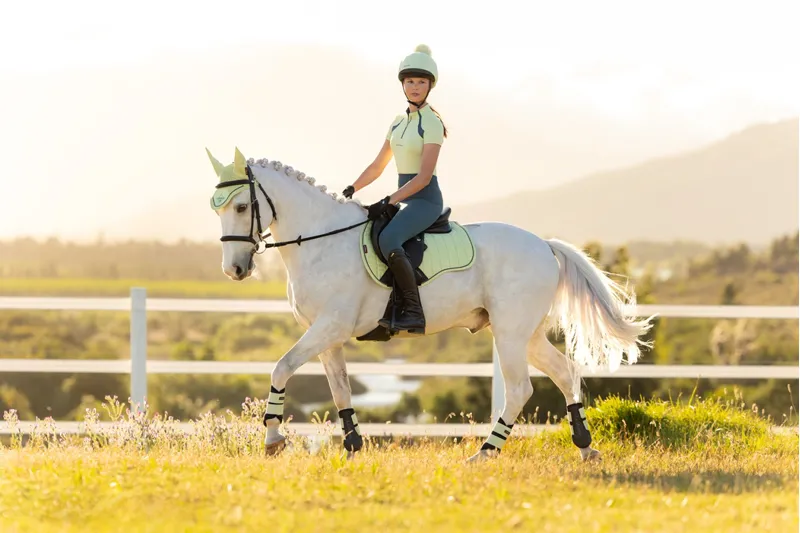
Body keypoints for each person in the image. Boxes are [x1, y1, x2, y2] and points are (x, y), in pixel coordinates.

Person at [341, 43, 447, 334]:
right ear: (403, 84)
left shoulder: (432, 123)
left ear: (429, 86)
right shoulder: (398, 123)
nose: (415, 87)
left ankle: (412, 310)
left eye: (421, 82)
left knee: (389, 239)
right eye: (410, 81)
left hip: (424, 201)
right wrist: (351, 188)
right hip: (404, 199)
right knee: (369, 234)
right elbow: (378, 166)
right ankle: (381, 310)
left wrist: (389, 200)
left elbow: (424, 177)